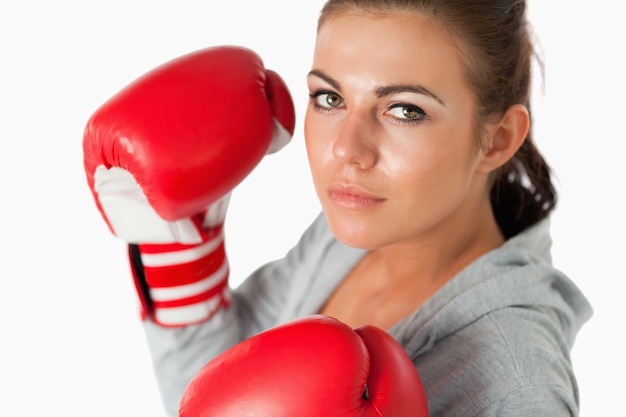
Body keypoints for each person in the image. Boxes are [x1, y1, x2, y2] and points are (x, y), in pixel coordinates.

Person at [83, 0, 593, 416]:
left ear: (497, 141)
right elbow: (210, 393)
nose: (347, 150)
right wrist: (178, 246)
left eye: (404, 110)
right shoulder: (353, 233)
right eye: (329, 98)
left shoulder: (518, 386)